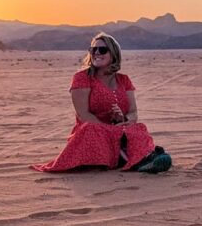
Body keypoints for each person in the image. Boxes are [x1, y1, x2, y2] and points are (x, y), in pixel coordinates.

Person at [31, 32, 171, 174]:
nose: (97, 53)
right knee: (91, 129)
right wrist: (110, 129)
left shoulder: (124, 80)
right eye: (93, 50)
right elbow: (83, 114)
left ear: (114, 53)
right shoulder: (82, 78)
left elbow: (133, 112)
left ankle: (144, 159)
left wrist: (124, 119)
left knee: (138, 128)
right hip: (93, 130)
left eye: (102, 50)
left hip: (120, 129)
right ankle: (133, 160)